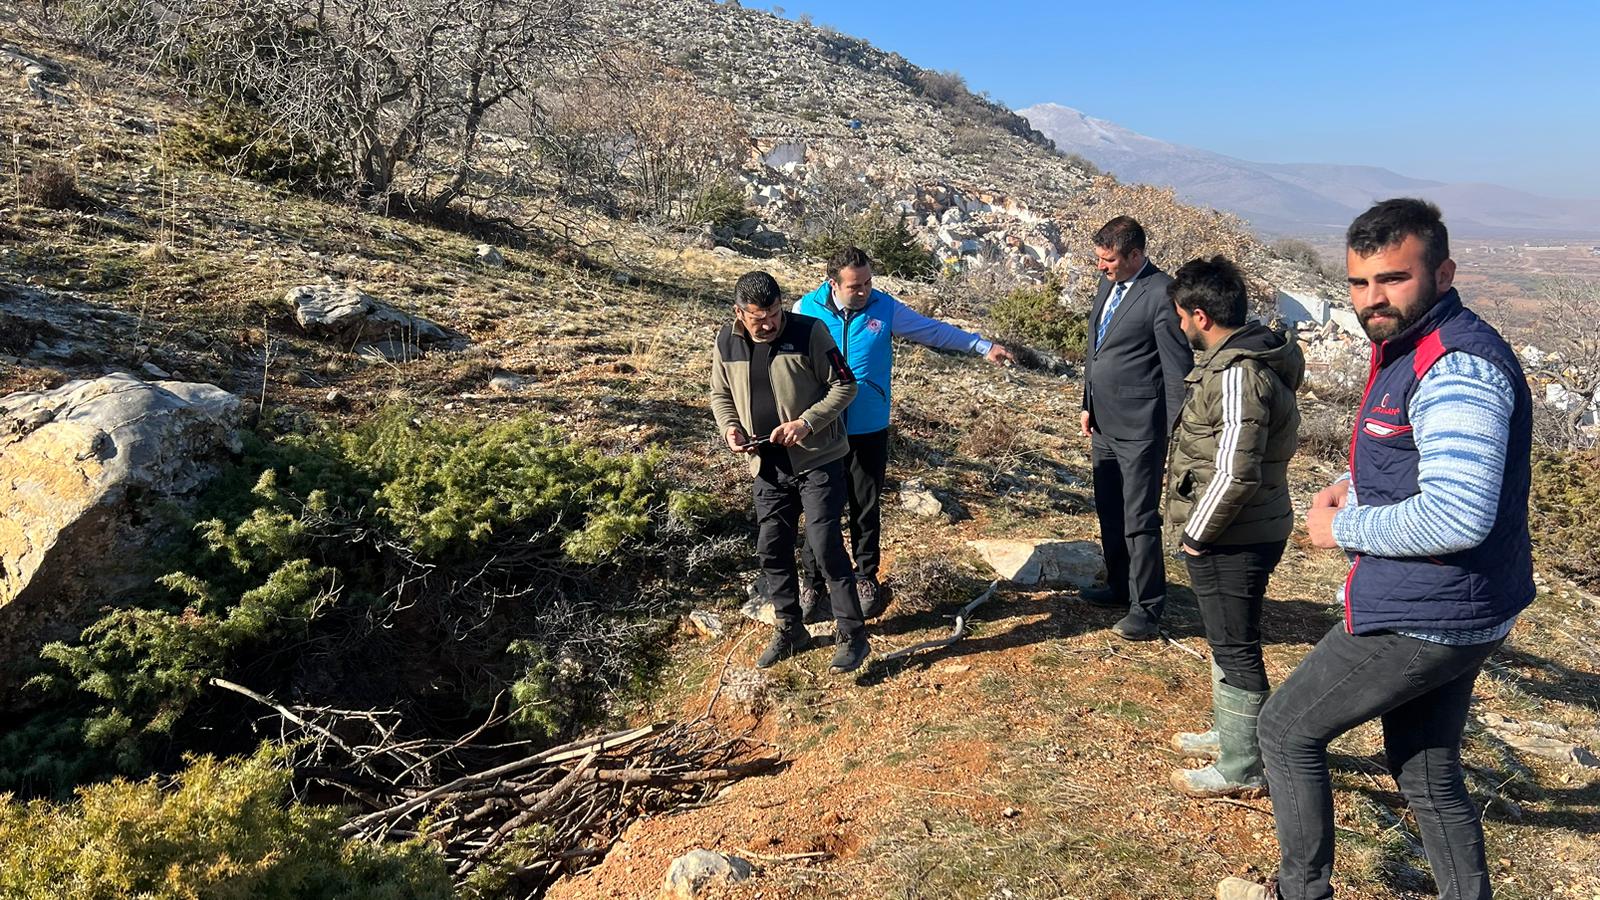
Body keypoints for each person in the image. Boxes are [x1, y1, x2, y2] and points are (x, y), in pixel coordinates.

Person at [1217, 199, 1535, 900]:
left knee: (1286, 730)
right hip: (1465, 605)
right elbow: (1414, 460)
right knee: (1426, 771)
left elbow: (1456, 515)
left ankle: (1301, 890)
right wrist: (1352, 483)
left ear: (1443, 274)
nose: (1372, 299)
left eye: (1393, 278)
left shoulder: (1454, 366)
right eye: (1359, 283)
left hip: (1428, 611)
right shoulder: (1415, 347)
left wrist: (1343, 527)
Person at [792, 246, 1013, 619]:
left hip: (868, 426)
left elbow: (932, 331)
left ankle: (866, 576)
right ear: (833, 284)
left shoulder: (884, 307)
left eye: (868, 282)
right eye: (855, 286)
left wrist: (981, 345)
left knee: (865, 505)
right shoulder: (805, 310)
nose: (864, 291)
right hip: (822, 428)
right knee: (820, 510)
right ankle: (813, 583)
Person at [1161, 255, 1303, 799]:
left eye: (1181, 316)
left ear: (1200, 316)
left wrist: (1197, 534)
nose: (1180, 326)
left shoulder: (1238, 372)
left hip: (1234, 534)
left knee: (1237, 644)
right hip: (1240, 528)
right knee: (1225, 637)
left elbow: (1235, 469)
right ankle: (1231, 734)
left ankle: (1243, 766)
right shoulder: (1240, 360)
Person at [709, 270, 871, 675]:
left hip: (818, 459)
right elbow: (720, 393)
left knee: (824, 543)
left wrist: (806, 424)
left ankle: (852, 634)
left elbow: (845, 385)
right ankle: (790, 628)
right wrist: (730, 428)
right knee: (771, 547)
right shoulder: (726, 341)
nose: (768, 324)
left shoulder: (809, 332)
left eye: (774, 314)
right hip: (766, 464)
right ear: (739, 313)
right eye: (758, 318)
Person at [1078, 216, 1194, 640]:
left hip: (1142, 429)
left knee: (1138, 517)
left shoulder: (1162, 293)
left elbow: (1177, 369)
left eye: (1109, 260)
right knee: (1109, 508)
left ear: (1135, 255)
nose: (1101, 266)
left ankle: (1146, 607)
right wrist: (1087, 403)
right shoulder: (1109, 282)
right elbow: (1096, 347)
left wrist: (1171, 432)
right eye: (1099, 259)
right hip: (1103, 423)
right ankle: (1119, 586)